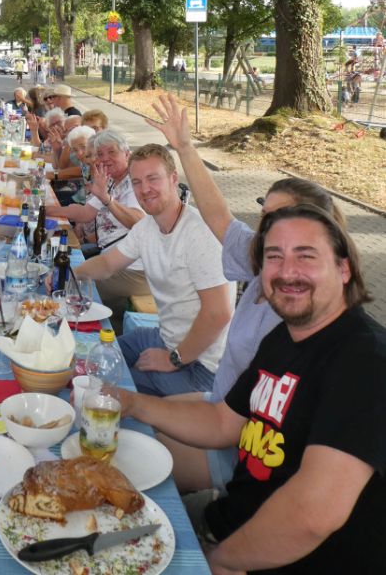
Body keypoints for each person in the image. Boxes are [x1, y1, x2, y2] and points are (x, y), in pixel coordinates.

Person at [113, 204, 385, 574]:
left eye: (306, 256)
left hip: (273, 557)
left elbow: (312, 514)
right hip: (228, 520)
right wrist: (131, 403)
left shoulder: (365, 359)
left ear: (343, 268)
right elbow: (222, 421)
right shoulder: (285, 339)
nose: (288, 271)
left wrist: (220, 560)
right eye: (275, 256)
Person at [145, 93, 345, 495]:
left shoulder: (302, 307)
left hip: (245, 445)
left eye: (281, 217)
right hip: (221, 405)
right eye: (265, 213)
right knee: (134, 420)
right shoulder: (261, 259)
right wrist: (184, 147)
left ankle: (205, 521)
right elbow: (219, 216)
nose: (268, 224)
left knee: (137, 457)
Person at [72, 143, 235, 395]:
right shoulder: (147, 227)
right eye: (136, 182)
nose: (144, 189)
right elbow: (106, 264)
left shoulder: (199, 233)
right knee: (87, 361)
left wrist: (174, 359)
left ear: (173, 179)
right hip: (165, 337)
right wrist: (69, 274)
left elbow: (219, 313)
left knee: (103, 388)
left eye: (153, 179)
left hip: (202, 367)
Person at [46, 130, 151, 332]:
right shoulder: (109, 180)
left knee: (75, 288)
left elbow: (138, 221)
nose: (105, 159)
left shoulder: (134, 182)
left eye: (111, 152)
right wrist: (47, 209)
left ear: (127, 154)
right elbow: (85, 212)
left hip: (136, 270)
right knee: (60, 265)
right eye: (100, 155)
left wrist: (107, 200)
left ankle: (86, 335)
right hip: (111, 259)